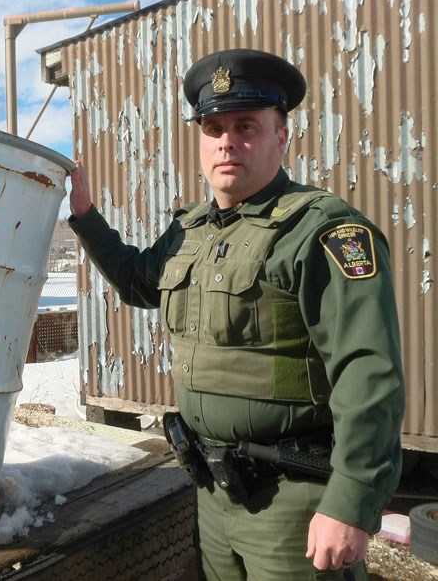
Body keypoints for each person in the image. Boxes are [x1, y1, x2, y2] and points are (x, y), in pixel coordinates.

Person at [67, 48, 405, 580]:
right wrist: (86, 218)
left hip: (294, 502)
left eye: (246, 125)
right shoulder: (191, 230)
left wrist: (351, 500)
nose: (226, 140)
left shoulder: (320, 230)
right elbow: (138, 281)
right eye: (213, 127)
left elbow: (368, 372)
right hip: (212, 491)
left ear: (282, 135)